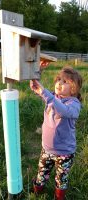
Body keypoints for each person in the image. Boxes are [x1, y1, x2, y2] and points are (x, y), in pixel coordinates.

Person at [30, 66, 82, 200]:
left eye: (65, 82)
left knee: (61, 178)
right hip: (47, 149)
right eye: (59, 79)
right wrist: (36, 74)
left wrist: (45, 93)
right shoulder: (52, 96)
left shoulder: (74, 104)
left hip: (64, 153)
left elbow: (62, 110)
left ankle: (59, 197)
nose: (59, 83)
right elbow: (37, 90)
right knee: (41, 173)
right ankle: (36, 192)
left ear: (74, 88)